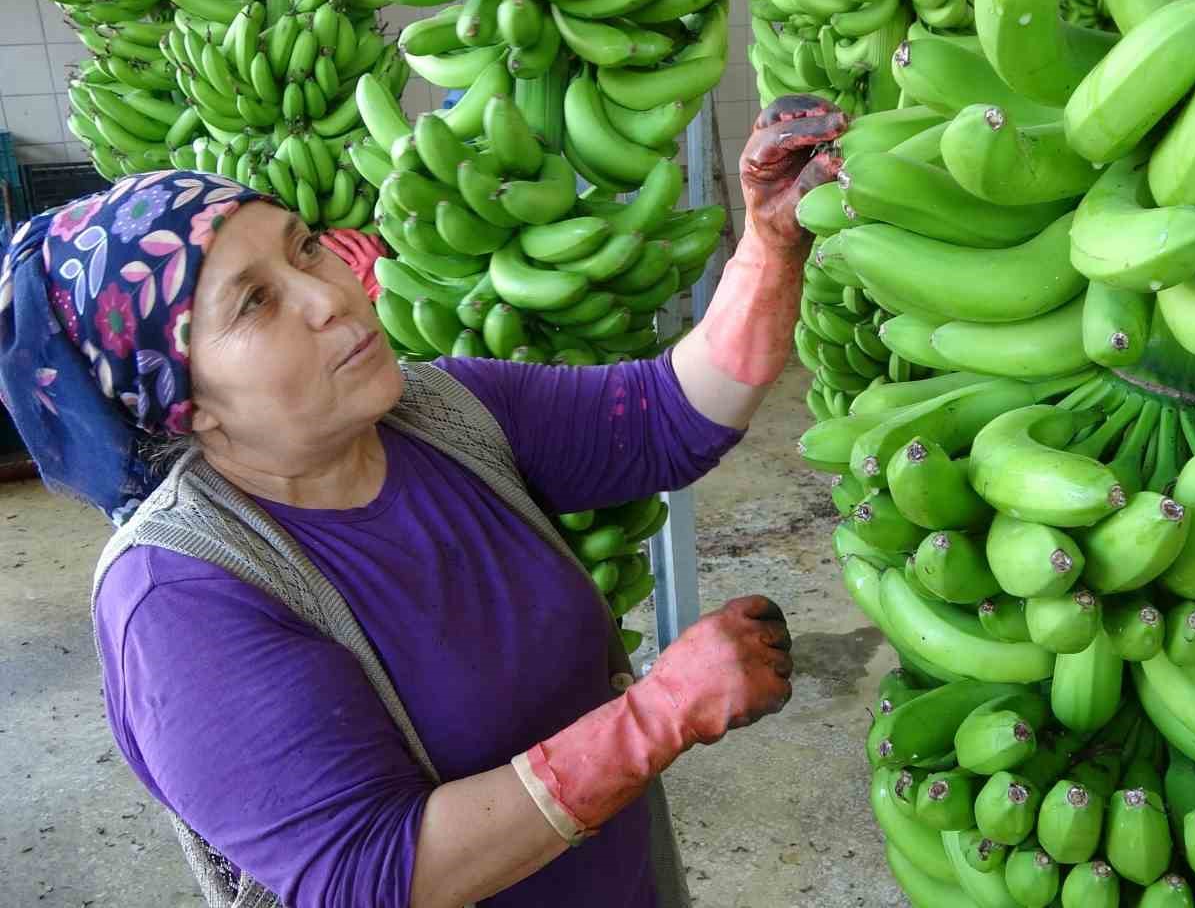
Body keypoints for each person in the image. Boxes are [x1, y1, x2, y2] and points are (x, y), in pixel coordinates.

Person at [0, 95, 848, 908]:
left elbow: (667, 415)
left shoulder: (443, 410)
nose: (329, 295)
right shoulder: (183, 596)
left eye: (302, 249)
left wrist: (769, 248)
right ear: (184, 403)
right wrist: (654, 717)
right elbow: (371, 874)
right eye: (255, 301)